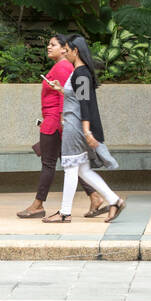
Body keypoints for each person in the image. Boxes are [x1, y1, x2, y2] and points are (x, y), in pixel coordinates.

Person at [17, 33, 106, 219]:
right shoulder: (62, 66)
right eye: (49, 44)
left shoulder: (63, 67)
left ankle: (38, 205)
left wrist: (62, 123)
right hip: (56, 123)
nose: (49, 47)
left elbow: (66, 98)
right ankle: (96, 196)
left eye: (53, 45)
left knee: (49, 164)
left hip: (54, 124)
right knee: (74, 165)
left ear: (65, 49)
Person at [44, 34, 127, 223]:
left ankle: (64, 213)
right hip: (76, 125)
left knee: (71, 168)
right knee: (83, 171)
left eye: (67, 49)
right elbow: (77, 97)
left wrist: (87, 131)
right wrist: (60, 89)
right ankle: (115, 201)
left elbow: (85, 104)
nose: (64, 52)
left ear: (75, 51)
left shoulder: (81, 74)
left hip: (75, 127)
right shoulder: (79, 72)